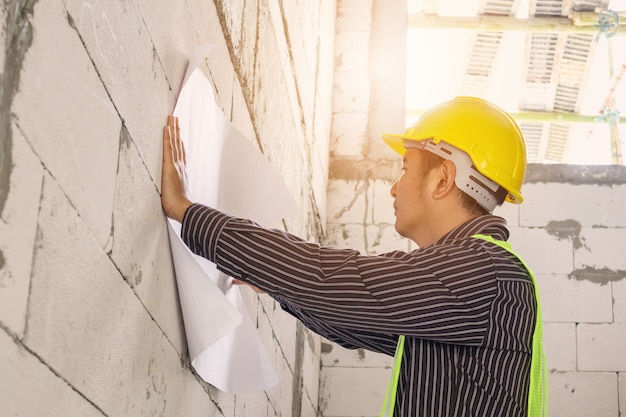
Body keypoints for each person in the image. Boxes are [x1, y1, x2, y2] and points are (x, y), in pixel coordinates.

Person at [161, 96, 548, 417]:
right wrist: (272, 281)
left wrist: (187, 211)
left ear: (444, 179)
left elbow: (335, 282)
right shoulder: (476, 279)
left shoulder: (481, 273)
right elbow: (349, 321)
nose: (394, 188)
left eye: (405, 168)